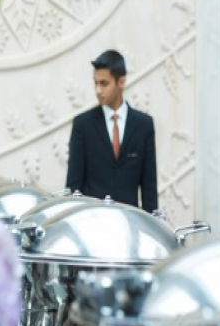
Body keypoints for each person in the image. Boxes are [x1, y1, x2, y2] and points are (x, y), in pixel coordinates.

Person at [65, 49, 158, 213]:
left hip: (130, 221)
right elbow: (73, 188)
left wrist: (152, 224)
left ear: (121, 82)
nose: (98, 90)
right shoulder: (83, 125)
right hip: (92, 219)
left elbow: (149, 188)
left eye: (104, 83)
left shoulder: (143, 125)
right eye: (95, 83)